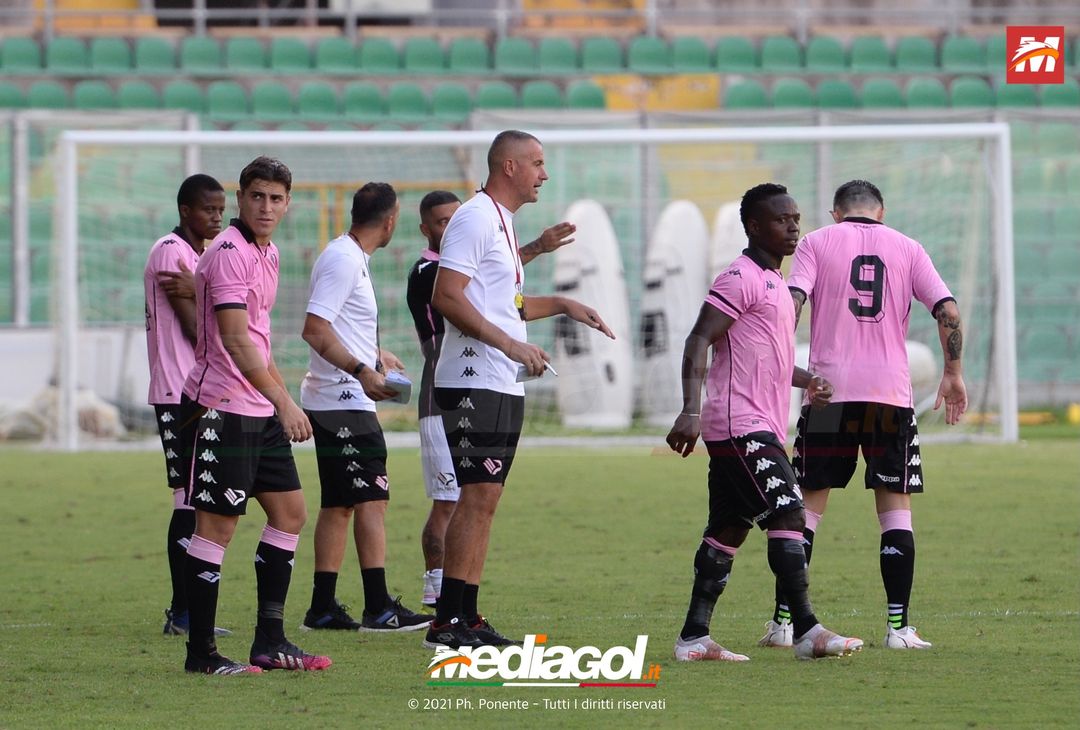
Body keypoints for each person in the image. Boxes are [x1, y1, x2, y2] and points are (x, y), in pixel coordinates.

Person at [422, 130, 614, 649]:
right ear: (508, 166)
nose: (544, 174)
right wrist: (510, 344)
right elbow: (447, 296)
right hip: (471, 379)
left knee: (486, 500)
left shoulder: (501, 220)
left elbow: (508, 303)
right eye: (537, 163)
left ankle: (467, 616)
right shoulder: (475, 217)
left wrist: (565, 304)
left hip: (499, 380)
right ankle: (446, 622)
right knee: (475, 496)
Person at [760, 179, 967, 651]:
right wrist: (953, 372)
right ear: (882, 211)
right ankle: (899, 629)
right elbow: (948, 310)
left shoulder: (815, 242)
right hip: (888, 397)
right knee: (894, 511)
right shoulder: (908, 248)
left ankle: (784, 624)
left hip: (828, 394)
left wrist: (778, 363)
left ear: (836, 213)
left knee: (806, 511)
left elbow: (791, 303)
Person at [666, 182, 864, 662]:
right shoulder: (740, 278)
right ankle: (807, 631)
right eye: (781, 219)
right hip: (740, 423)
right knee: (789, 513)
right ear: (754, 227)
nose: (793, 227)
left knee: (728, 529)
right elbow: (698, 340)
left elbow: (766, 355)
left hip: (758, 423)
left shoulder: (775, 282)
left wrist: (807, 380)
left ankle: (694, 638)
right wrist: (690, 410)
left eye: (795, 218)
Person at [180, 156, 331, 675]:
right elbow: (234, 339)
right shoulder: (228, 253)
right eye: (257, 196)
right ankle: (201, 654)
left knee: (290, 514)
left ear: (288, 204)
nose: (266, 207)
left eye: (276, 198)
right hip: (220, 407)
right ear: (241, 198)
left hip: (257, 404)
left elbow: (259, 339)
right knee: (216, 529)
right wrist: (283, 403)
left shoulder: (268, 252)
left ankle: (270, 640)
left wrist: (280, 398)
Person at [405, 190, 577, 610]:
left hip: (489, 381)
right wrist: (533, 251)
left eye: (456, 217)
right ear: (425, 229)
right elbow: (469, 288)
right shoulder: (430, 271)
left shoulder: (480, 243)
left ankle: (460, 609)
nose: (453, 225)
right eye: (443, 221)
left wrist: (555, 292)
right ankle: (440, 595)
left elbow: (500, 291)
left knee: (478, 499)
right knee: (452, 500)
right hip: (448, 393)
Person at [298, 182, 432, 633]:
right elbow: (315, 329)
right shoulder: (344, 260)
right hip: (342, 400)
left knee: (340, 503)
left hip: (336, 396)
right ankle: (379, 607)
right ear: (390, 221)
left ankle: (322, 607)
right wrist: (360, 370)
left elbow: (337, 324)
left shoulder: (347, 255)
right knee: (373, 498)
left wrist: (375, 355)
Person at [145, 174, 229, 637]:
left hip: (199, 390)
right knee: (188, 499)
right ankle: (182, 614)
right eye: (207, 209)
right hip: (177, 391)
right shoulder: (170, 250)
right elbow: (200, 331)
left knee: (199, 498)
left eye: (220, 210)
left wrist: (199, 289)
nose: (216, 217)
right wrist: (206, 296)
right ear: (185, 211)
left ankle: (188, 613)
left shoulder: (199, 259)